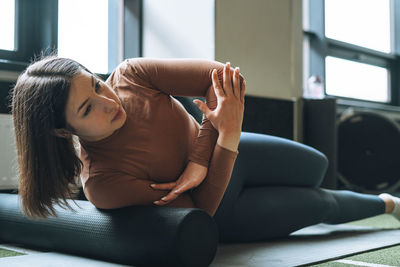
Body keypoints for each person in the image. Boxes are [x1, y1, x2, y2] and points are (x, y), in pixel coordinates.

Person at [11, 55, 400, 242]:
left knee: (317, 166)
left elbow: (223, 78)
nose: (108, 102)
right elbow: (198, 214)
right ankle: (388, 204)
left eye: (96, 84)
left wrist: (200, 159)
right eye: (87, 108)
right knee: (321, 205)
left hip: (232, 150)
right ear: (64, 133)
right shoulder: (103, 182)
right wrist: (226, 136)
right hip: (224, 209)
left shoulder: (132, 75)